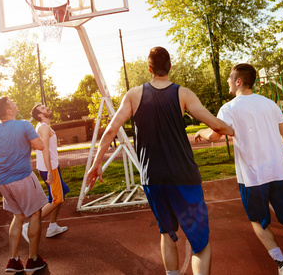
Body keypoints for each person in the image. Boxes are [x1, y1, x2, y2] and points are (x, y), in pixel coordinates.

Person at [86, 47, 234, 275]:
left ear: (150, 69)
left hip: (153, 178)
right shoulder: (183, 94)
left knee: (166, 233)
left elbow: (110, 131)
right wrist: (234, 130)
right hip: (184, 176)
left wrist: (96, 163)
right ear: (170, 67)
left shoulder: (133, 95)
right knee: (201, 244)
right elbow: (216, 125)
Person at [194, 63, 283, 275]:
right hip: (280, 174)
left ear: (239, 81)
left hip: (252, 178)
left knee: (258, 222)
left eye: (231, 79)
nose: (229, 82)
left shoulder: (229, 108)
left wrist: (202, 132)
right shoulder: (269, 104)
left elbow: (215, 135)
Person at [0, 97, 48, 273]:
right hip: (23, 178)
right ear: (9, 111)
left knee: (17, 217)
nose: (16, 103)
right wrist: (38, 133)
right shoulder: (24, 125)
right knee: (34, 214)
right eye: (13, 102)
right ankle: (33, 260)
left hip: (4, 183)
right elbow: (40, 146)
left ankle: (13, 260)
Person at [22, 104, 70, 242]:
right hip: (50, 168)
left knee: (61, 194)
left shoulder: (44, 127)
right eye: (43, 108)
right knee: (57, 199)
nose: (47, 108)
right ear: (40, 115)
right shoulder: (43, 127)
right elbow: (45, 150)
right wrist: (50, 171)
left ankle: (53, 226)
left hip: (52, 167)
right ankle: (29, 226)